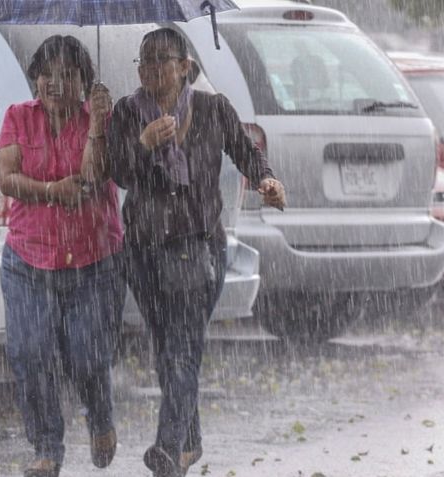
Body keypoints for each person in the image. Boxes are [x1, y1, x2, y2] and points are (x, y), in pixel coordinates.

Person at [99, 28, 286, 477]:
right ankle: (190, 443)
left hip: (198, 248)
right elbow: (118, 175)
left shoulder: (211, 107)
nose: (152, 70)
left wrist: (266, 179)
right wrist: (143, 144)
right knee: (168, 350)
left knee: (181, 349)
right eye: (144, 62)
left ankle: (167, 448)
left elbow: (248, 151)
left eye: (162, 60)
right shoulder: (127, 112)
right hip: (144, 251)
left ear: (185, 66)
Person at [0, 35, 123, 477]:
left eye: (69, 74)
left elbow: (92, 176)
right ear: (35, 79)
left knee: (87, 356)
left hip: (92, 260)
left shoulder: (99, 120)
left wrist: (98, 128)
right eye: (47, 73)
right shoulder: (17, 118)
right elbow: (7, 179)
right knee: (31, 354)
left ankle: (101, 418)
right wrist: (51, 191)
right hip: (28, 260)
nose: (56, 82)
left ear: (85, 82)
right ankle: (47, 449)